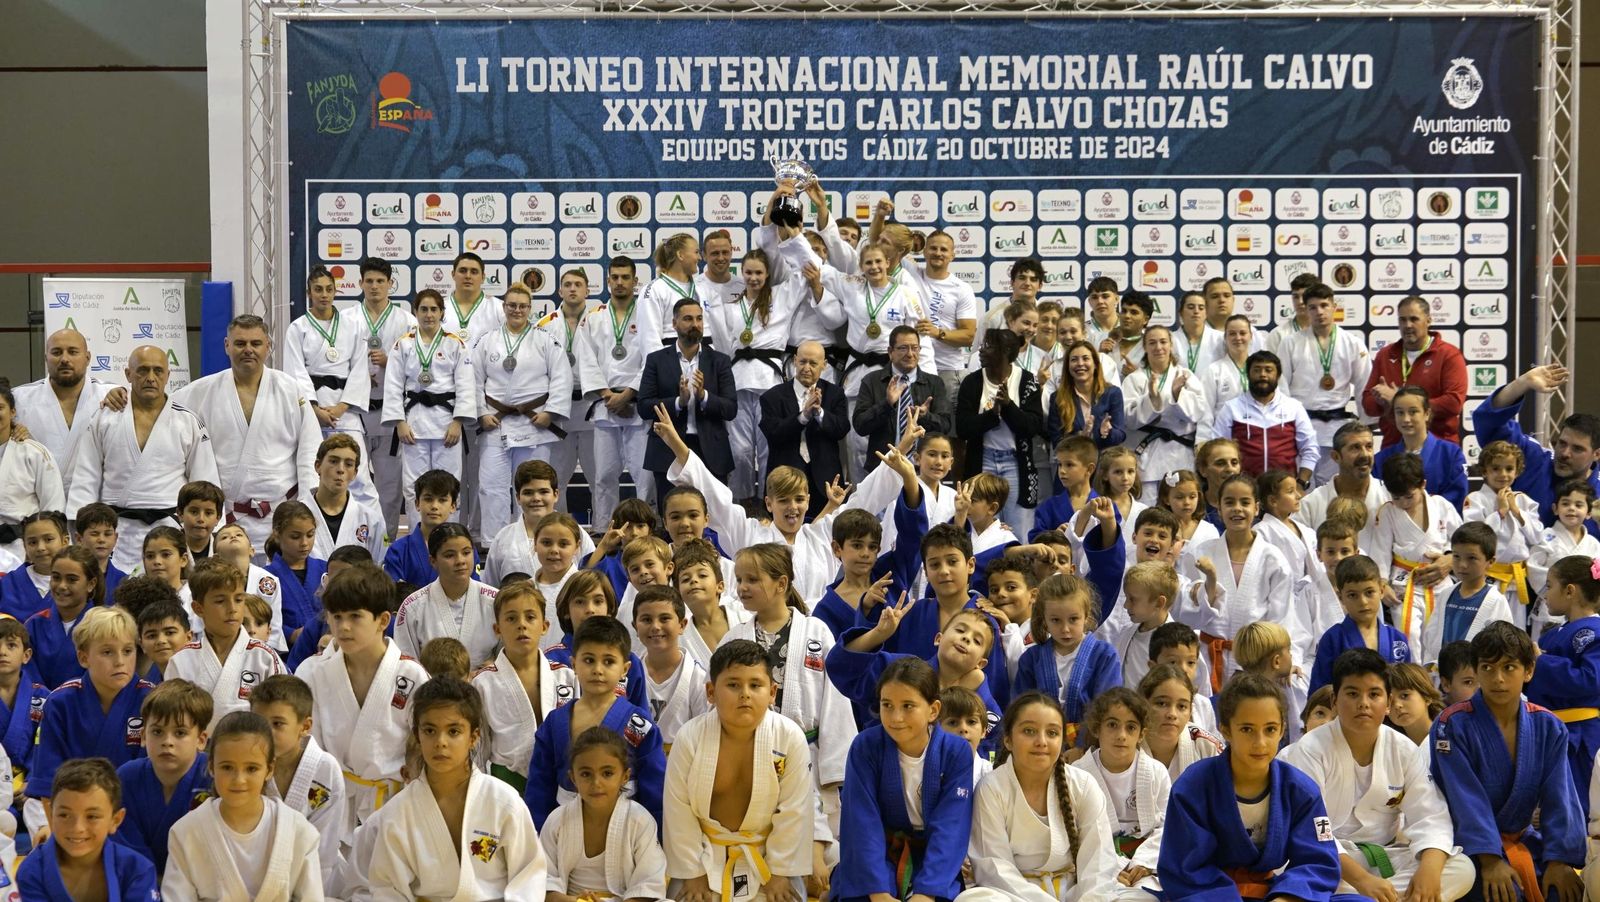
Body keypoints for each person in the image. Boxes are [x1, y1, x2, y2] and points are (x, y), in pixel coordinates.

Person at [1280, 648, 1476, 901]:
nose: (1363, 703)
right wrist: (1362, 881)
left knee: (1461, 869)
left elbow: (1430, 815)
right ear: (1334, 702)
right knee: (1305, 877)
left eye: (1374, 694)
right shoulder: (1310, 750)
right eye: (1352, 693)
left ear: (1388, 703)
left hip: (1387, 857)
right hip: (1332, 861)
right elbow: (1312, 830)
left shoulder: (1402, 749)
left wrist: (1428, 871)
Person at [1159, 672, 1350, 900]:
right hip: (1210, 895)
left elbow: (1318, 861)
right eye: (1247, 729)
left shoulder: (1301, 790)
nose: (1260, 743)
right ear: (1226, 730)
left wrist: (1286, 898)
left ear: (1282, 730)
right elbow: (1184, 868)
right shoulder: (1193, 787)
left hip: (1274, 893)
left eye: (1270, 729)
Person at [1431, 622, 1586, 902]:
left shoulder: (1548, 726)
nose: (1498, 678)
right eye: (1487, 668)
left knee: (1562, 891)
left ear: (1529, 671)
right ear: (1477, 671)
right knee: (1504, 893)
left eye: (1509, 667)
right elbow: (1465, 798)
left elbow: (1560, 797)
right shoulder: (1451, 725)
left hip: (1523, 839)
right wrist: (1490, 860)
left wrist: (1559, 860)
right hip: (1468, 846)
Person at [662, 639, 814, 902]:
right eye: (733, 685)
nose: (745, 694)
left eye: (755, 685)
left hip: (768, 858)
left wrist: (779, 872)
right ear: (711, 691)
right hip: (704, 857)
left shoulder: (789, 737)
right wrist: (693, 872)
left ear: (772, 692)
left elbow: (795, 810)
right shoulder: (690, 737)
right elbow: (678, 810)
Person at [368, 677, 545, 899]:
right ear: (417, 735)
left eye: (453, 732)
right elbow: (387, 889)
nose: (440, 742)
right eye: (430, 731)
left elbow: (528, 878)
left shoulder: (503, 801)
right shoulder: (398, 812)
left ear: (474, 737)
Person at [171, 315, 321, 554]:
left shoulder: (290, 389)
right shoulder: (200, 392)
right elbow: (156, 406)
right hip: (225, 519)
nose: (248, 350)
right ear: (226, 346)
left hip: (281, 515)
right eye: (240, 343)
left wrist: (306, 507)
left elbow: (310, 451)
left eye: (256, 343)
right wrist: (119, 395)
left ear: (268, 347)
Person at [294, 564, 429, 830]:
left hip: (394, 805)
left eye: (355, 616)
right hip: (329, 803)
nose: (343, 627)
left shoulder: (411, 676)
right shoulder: (312, 672)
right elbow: (306, 749)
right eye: (336, 616)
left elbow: (423, 748)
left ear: (382, 620)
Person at [832, 657, 974, 902]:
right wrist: (878, 892)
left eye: (908, 706)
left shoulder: (956, 752)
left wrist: (927, 893)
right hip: (878, 856)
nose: (895, 717)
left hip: (931, 859)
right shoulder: (866, 746)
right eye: (887, 705)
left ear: (933, 710)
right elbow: (862, 821)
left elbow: (951, 826)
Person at [957, 691, 1121, 902]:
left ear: (1062, 741)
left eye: (1052, 733)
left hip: (1073, 889)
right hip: (1013, 894)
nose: (1041, 741)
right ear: (1007, 740)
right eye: (1029, 731)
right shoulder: (992, 788)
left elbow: (1098, 863)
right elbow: (994, 868)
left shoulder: (1083, 784)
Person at [67, 345, 216, 572]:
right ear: (128, 374)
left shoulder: (187, 421)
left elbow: (204, 485)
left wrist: (209, 531)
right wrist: (85, 526)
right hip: (115, 531)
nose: (151, 378)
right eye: (142, 370)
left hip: (169, 528)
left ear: (168, 376)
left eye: (158, 371)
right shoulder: (105, 417)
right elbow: (87, 476)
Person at [24, 606, 154, 843]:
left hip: (135, 818)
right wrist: (62, 837)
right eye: (107, 652)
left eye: (127, 651)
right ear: (84, 657)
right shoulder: (60, 702)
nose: (120, 661)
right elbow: (47, 780)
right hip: (75, 819)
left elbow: (156, 776)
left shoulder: (152, 701)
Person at [524, 615, 664, 829]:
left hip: (626, 827)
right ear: (573, 664)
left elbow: (655, 787)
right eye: (589, 660)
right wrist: (539, 835)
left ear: (625, 669)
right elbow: (539, 786)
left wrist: (657, 837)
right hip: (564, 827)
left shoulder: (637, 723)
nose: (598, 669)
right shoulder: (555, 722)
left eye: (608, 661)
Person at [714, 248, 820, 502]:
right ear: (741, 273)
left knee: (767, 449)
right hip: (738, 381)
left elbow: (811, 263)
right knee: (739, 451)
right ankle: (741, 502)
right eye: (748, 272)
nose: (753, 278)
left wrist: (785, 237)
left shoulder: (781, 296)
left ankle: (767, 501)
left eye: (759, 272)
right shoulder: (729, 308)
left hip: (769, 383)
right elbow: (723, 347)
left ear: (767, 273)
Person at [473, 283, 571, 539]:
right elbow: (473, 379)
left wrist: (551, 412)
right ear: (504, 307)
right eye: (511, 305)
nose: (517, 310)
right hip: (496, 424)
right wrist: (482, 413)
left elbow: (562, 377)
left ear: (530, 309)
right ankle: (492, 543)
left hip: (534, 425)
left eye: (522, 306)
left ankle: (534, 539)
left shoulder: (546, 339)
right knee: (491, 486)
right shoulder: (487, 340)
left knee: (534, 490)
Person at [540, 726, 668, 902]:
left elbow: (648, 885)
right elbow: (543, 881)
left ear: (625, 776)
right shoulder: (558, 820)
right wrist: (575, 901)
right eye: (586, 774)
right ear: (573, 778)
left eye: (607, 773)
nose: (596, 783)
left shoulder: (639, 820)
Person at [381, 289, 476, 524]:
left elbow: (465, 386)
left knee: (450, 484)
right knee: (414, 485)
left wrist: (458, 422)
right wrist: (399, 423)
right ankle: (418, 536)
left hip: (447, 425)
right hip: (414, 423)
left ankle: (449, 536)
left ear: (442, 312)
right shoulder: (402, 345)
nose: (429, 314)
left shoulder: (456, 344)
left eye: (434, 309)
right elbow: (393, 386)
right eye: (424, 309)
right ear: (415, 312)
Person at [1472, 363, 1600, 537]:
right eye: (1562, 443)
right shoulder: (1534, 459)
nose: (1564, 453)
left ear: (1596, 454)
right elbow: (1487, 422)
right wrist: (1522, 383)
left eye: (1577, 449)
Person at [1070, 688, 1171, 898]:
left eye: (1131, 727)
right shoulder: (1078, 774)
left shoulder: (1156, 772)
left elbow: (1168, 826)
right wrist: (1112, 867)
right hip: (1096, 864)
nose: (1121, 735)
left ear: (1141, 734)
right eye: (1112, 725)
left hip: (1146, 864)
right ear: (1097, 728)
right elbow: (1076, 833)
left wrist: (1144, 862)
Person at [639, 299, 737, 512]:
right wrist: (678, 402)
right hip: (668, 450)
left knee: (716, 515)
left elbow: (731, 409)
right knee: (671, 514)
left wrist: (703, 397)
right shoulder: (656, 360)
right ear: (674, 324)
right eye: (688, 319)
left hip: (711, 449)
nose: (695, 324)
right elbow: (644, 406)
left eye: (699, 319)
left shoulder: (719, 360)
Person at [284, 266, 374, 500]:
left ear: (335, 292)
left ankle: (371, 536)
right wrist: (314, 409)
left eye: (328, 289)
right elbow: (296, 372)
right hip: (311, 412)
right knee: (311, 474)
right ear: (308, 293)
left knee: (359, 477)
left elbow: (359, 371)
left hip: (345, 411)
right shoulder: (298, 328)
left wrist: (341, 408)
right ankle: (311, 532)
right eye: (318, 289)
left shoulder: (352, 327)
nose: (323, 294)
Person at [250, 673, 347, 889]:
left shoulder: (325, 769)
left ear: (305, 726)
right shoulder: (246, 766)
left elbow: (325, 846)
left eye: (277, 724)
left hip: (316, 878)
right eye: (258, 723)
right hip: (256, 876)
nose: (266, 733)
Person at [341, 256, 415, 536]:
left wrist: (391, 362)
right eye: (369, 281)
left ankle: (385, 545)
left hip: (389, 414)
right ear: (360, 283)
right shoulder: (346, 320)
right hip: (355, 413)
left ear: (390, 284)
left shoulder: (406, 321)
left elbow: (419, 366)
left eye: (380, 281)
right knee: (351, 483)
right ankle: (352, 542)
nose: (374, 286)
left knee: (389, 487)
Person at [17, 758, 160, 901]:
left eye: (92, 816)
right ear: (51, 814)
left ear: (115, 820)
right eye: (64, 815)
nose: (78, 828)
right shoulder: (32, 871)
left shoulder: (137, 870)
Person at [579, 256, 655, 525]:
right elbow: (586, 360)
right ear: (608, 280)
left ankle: (646, 527)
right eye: (615, 277)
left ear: (635, 282)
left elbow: (653, 358)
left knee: (643, 475)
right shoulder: (593, 318)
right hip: (606, 404)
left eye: (626, 277)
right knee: (604, 474)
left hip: (637, 404)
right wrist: (607, 395)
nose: (620, 282)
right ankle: (603, 528)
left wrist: (629, 393)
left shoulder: (648, 315)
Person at [1525, 554, 1600, 819]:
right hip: (1551, 729)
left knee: (1576, 806)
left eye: (1549, 585)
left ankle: (1577, 859)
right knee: (1552, 806)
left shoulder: (1594, 632)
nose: (1545, 594)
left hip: (1581, 735)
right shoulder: (1554, 633)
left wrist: (1542, 662)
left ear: (1570, 591)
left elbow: (1591, 681)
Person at [13, 329, 123, 499]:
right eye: (56, 352)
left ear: (87, 358)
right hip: (38, 505)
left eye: (73, 352)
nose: (64, 359)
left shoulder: (112, 396)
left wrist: (125, 394)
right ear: (46, 358)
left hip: (94, 505)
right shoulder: (19, 399)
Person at [1278, 284, 1371, 484]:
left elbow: (1364, 386)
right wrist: (1286, 426)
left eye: (1324, 305)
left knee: (1334, 486)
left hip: (1337, 427)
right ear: (1306, 310)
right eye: (1312, 307)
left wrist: (1365, 426)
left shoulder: (1352, 343)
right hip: (1302, 424)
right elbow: (1282, 386)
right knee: (1301, 489)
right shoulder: (1291, 343)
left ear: (1334, 306)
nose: (1319, 312)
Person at [958, 328, 1047, 536]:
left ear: (1006, 351)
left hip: (1016, 464)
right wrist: (992, 415)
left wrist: (1008, 407)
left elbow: (1032, 427)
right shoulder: (971, 382)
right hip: (983, 461)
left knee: (1019, 530)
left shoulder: (1027, 381)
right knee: (982, 530)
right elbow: (963, 429)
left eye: (988, 346)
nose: (980, 350)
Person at [1361, 296, 1468, 446]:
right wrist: (1382, 401)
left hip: (1439, 446)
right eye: (1402, 320)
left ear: (1428, 321)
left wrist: (1398, 400)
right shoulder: (1385, 355)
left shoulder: (1448, 355)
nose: (1408, 325)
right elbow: (1368, 404)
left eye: (1414, 319)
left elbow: (1453, 403)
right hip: (1393, 447)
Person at [762, 340, 850, 517]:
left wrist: (819, 413)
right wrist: (804, 416)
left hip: (825, 481)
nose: (806, 368)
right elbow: (773, 434)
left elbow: (842, 428)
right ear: (794, 360)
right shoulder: (772, 396)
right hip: (786, 482)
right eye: (802, 362)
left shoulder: (835, 394)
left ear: (824, 365)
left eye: (813, 363)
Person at [538, 269, 600, 521]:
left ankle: (603, 527)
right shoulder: (544, 325)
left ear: (588, 290)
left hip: (591, 405)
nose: (572, 289)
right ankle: (555, 527)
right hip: (558, 409)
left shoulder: (600, 320)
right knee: (556, 477)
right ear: (560, 291)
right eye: (567, 285)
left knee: (599, 475)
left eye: (578, 284)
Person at [1202, 350, 1318, 483]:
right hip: (1244, 487)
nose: (1262, 375)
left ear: (1278, 375)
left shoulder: (1294, 407)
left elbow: (1310, 448)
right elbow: (1218, 449)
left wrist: (1301, 483)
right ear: (1248, 374)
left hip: (1283, 488)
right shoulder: (1231, 409)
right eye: (1257, 370)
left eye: (1268, 370)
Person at [1124, 326, 1208, 504]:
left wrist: (1178, 395)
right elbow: (1128, 418)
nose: (1158, 347)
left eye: (1163, 342)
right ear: (1145, 347)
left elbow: (1198, 411)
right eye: (1152, 343)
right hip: (1147, 455)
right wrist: (1151, 400)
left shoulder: (1186, 376)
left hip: (1180, 455)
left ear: (1171, 345)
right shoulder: (1134, 379)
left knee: (1182, 507)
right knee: (1147, 510)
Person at [394, 522, 497, 666]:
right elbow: (407, 665)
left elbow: (509, 655)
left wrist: (487, 672)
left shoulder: (495, 600)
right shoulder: (412, 607)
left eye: (466, 552)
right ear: (433, 561)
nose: (460, 561)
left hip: (486, 685)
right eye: (450, 555)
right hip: (432, 687)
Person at [853, 326, 953, 472]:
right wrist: (886, 404)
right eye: (903, 348)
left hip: (923, 469)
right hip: (884, 466)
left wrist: (925, 416)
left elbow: (945, 426)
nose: (910, 354)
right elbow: (860, 426)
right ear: (890, 352)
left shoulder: (934, 383)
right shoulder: (872, 381)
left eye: (915, 348)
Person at [1309, 555, 1414, 693]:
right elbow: (1319, 691)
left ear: (1382, 591)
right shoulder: (1333, 639)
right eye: (1353, 595)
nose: (1363, 602)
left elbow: (1406, 690)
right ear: (1341, 597)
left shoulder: (1398, 639)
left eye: (1369, 592)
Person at [1372, 386, 1470, 511]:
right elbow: (1378, 501)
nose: (1406, 419)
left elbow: (1456, 499)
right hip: (1393, 526)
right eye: (1400, 412)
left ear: (1427, 414)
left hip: (1439, 527)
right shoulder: (1382, 459)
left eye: (1413, 412)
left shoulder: (1450, 454)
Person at [910, 230, 980, 400]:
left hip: (947, 370)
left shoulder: (961, 288)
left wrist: (937, 332)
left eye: (944, 249)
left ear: (952, 255)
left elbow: (969, 336)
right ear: (924, 251)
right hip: (913, 366)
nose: (938, 253)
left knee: (946, 425)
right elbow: (882, 246)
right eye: (933, 248)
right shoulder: (911, 273)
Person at [1295, 421, 1390, 531]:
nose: (1364, 454)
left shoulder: (1390, 495)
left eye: (1369, 446)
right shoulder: (1311, 504)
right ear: (1336, 457)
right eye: (1355, 448)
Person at [1136, 663, 1223, 783]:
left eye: (1182, 706)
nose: (1172, 714)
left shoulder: (1207, 747)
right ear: (1143, 704)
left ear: (1190, 711)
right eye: (1161, 703)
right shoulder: (1127, 743)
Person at [1048, 340, 1125, 451]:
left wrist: (1107, 433)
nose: (1080, 363)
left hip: (1104, 464)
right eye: (1074, 360)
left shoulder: (1112, 393)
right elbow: (1056, 441)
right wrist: (1081, 437)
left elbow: (1121, 434)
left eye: (1085, 358)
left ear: (1095, 365)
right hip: (1073, 464)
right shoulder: (1057, 398)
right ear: (1067, 367)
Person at [1171, 291, 1226, 379]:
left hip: (1212, 391)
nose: (1196, 311)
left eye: (1201, 308)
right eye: (1191, 307)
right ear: (1180, 313)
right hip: (1179, 391)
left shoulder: (1220, 339)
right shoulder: (1170, 340)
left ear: (1206, 313)